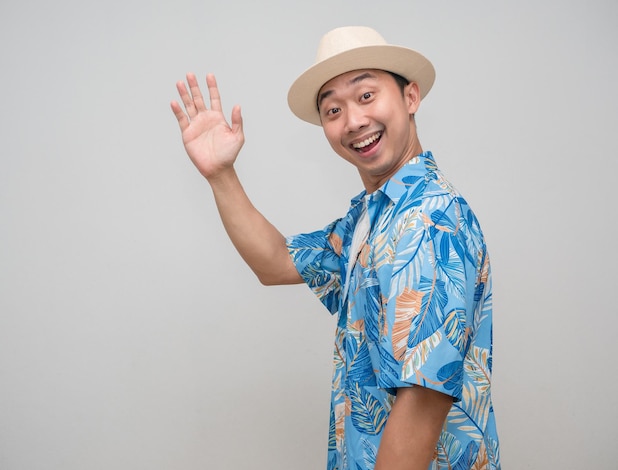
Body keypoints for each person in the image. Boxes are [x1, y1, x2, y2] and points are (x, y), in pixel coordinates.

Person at [171, 26, 500, 470]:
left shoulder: (429, 221)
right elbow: (277, 263)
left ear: (410, 97)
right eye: (333, 109)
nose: (353, 122)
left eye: (366, 96)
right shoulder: (372, 216)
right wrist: (220, 175)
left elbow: (423, 399)